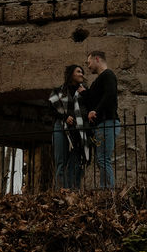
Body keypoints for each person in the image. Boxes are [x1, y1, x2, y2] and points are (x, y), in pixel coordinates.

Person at [82, 50, 120, 189]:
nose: (88, 66)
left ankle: (108, 191)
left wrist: (95, 111)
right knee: (100, 159)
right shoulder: (98, 80)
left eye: (89, 62)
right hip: (101, 124)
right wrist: (85, 94)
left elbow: (110, 95)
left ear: (97, 59)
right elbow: (93, 100)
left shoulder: (108, 74)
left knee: (103, 159)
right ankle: (106, 189)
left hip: (108, 122)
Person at [48, 64, 89, 189]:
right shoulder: (58, 91)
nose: (82, 74)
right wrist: (64, 117)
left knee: (76, 161)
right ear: (71, 74)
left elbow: (90, 109)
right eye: (78, 72)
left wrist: (87, 94)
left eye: (82, 72)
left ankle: (74, 191)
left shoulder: (85, 91)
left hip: (78, 129)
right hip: (61, 127)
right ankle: (61, 191)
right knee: (61, 161)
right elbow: (51, 109)